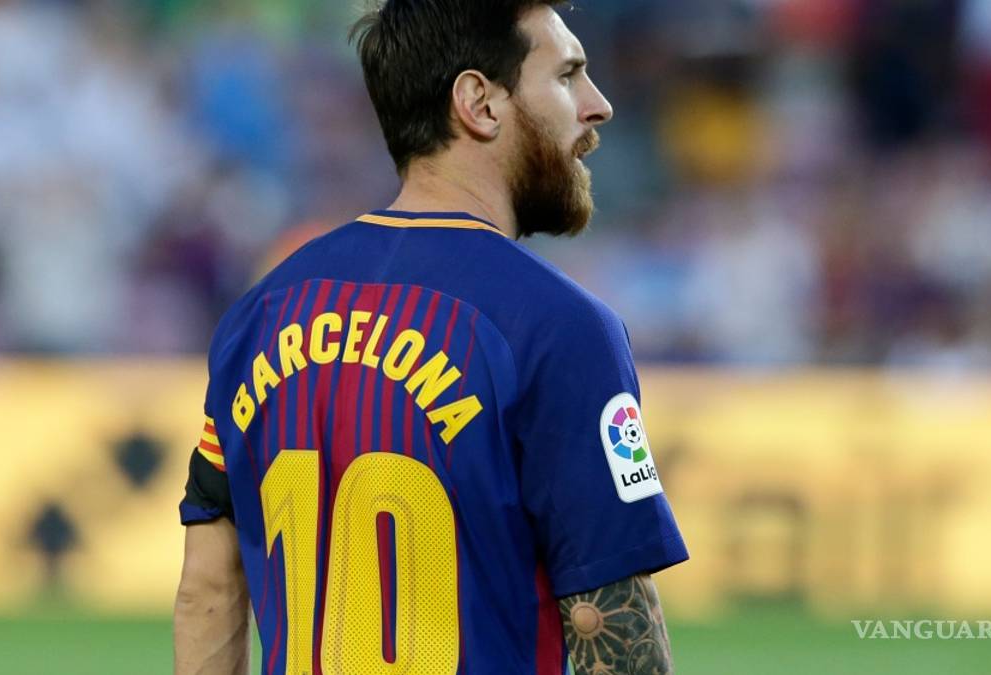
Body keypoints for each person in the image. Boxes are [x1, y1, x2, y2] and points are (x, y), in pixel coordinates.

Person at [173, 2, 688, 673]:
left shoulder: (260, 314)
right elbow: (606, 620)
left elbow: (207, 590)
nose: (598, 106)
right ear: (479, 103)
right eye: (567, 76)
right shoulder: (559, 327)